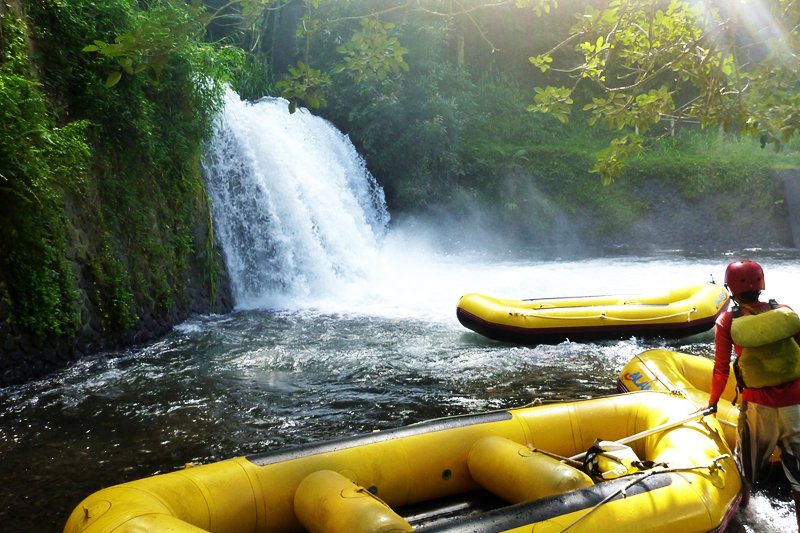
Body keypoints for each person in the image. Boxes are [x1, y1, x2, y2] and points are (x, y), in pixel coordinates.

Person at [701, 259, 800, 530]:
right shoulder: (785, 312)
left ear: (730, 288)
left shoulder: (728, 320)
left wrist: (712, 403)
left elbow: (720, 369)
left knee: (744, 469)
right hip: (796, 405)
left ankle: (743, 518)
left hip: (758, 406)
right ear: (762, 284)